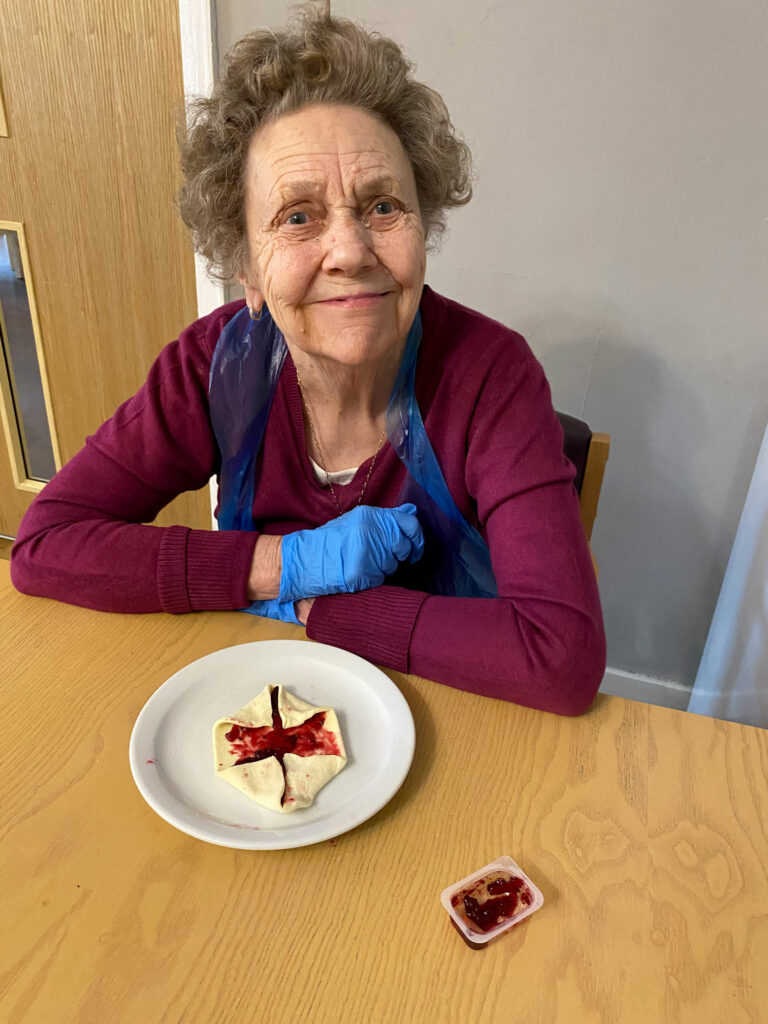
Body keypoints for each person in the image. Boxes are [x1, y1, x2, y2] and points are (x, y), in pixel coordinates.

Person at [10, 7, 605, 715]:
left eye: (382, 206)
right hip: (267, 705)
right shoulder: (215, 366)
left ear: (424, 225)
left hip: (452, 714)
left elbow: (559, 656)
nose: (350, 251)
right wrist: (285, 564)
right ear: (245, 266)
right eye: (297, 216)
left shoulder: (489, 377)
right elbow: (47, 544)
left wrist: (313, 606)